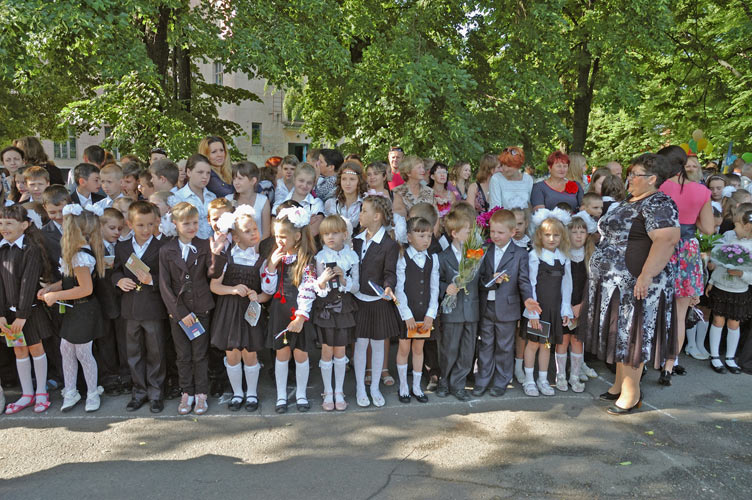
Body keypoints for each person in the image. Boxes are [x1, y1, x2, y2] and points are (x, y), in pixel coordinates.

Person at [581, 153, 680, 415]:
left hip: (637, 284)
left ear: (652, 179)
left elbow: (667, 240)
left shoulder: (659, 202)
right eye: (630, 173)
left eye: (635, 174)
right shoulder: (631, 200)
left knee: (633, 336)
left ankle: (631, 393)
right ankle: (619, 385)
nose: (630, 178)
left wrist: (646, 276)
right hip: (615, 285)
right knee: (620, 334)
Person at [158, 203, 224, 415]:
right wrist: (180, 314)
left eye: (195, 222)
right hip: (179, 313)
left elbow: (212, 274)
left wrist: (217, 255)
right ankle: (187, 391)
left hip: (201, 308)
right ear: (175, 224)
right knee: (183, 355)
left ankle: (201, 392)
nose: (191, 227)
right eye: (186, 223)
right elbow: (164, 285)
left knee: (200, 354)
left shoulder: (204, 245)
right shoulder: (166, 250)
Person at [657, 145, 714, 384]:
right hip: (687, 250)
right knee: (680, 315)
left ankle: (651, 358)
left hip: (662, 246)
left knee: (655, 309)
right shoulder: (701, 191)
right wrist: (693, 218)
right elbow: (708, 228)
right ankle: (669, 365)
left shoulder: (660, 186)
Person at [42, 204, 106, 412]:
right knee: (66, 350)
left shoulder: (81, 256)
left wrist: (56, 296)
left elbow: (85, 289)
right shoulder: (74, 253)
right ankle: (71, 390)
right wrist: (51, 288)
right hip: (74, 310)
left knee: (84, 354)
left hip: (84, 311)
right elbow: (70, 281)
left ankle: (92, 393)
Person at [474, 209, 539, 397]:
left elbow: (523, 281)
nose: (495, 236)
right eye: (493, 231)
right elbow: (479, 278)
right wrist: (490, 279)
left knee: (504, 346)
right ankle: (482, 380)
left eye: (500, 232)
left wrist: (528, 299)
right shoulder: (485, 250)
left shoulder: (520, 254)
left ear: (512, 232)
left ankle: (501, 381)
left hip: (508, 308)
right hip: (487, 306)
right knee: (485, 344)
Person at [209, 206, 269, 412]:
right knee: (232, 354)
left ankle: (251, 393)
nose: (253, 233)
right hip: (229, 311)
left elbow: (268, 292)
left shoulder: (261, 260)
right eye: (247, 231)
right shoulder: (227, 258)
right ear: (235, 237)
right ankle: (237, 393)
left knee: (250, 353)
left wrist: (257, 297)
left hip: (250, 312)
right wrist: (233, 289)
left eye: (255, 229)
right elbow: (214, 286)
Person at [112, 201, 168, 413]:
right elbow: (115, 271)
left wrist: (152, 279)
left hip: (153, 308)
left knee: (156, 352)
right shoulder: (122, 247)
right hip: (130, 309)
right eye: (140, 225)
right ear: (130, 224)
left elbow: (169, 277)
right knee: (133, 353)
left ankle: (156, 393)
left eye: (150, 224)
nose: (146, 230)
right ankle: (139, 392)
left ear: (156, 223)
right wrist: (119, 280)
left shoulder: (163, 247)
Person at [262, 206, 318, 414]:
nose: (279, 241)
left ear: (297, 236)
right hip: (280, 312)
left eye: (283, 236)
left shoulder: (307, 260)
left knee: (301, 354)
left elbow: (308, 290)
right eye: (277, 236)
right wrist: (271, 266)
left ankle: (301, 394)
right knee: (282, 353)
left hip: (299, 313)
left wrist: (301, 318)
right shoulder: (275, 258)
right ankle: (281, 396)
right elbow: (268, 289)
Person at [0, 205, 54, 414]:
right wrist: (1, 314)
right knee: (19, 349)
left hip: (29, 312)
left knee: (35, 348)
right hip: (9, 314)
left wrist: (22, 315)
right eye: (1, 223)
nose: (4, 228)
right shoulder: (1, 248)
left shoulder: (30, 249)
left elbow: (28, 282)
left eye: (9, 223)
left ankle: (41, 392)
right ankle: (27, 394)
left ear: (24, 225)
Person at [352, 194, 400, 407]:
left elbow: (390, 272)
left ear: (377, 216)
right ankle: (360, 387)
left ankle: (374, 388)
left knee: (379, 345)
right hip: (359, 301)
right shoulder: (355, 240)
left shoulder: (389, 245)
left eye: (364, 211)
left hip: (378, 301)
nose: (360, 214)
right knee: (361, 344)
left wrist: (388, 286)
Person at [521, 209, 573, 397]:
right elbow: (531, 283)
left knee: (546, 345)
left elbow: (567, 285)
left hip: (554, 308)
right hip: (538, 309)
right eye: (547, 235)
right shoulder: (535, 255)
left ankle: (542, 380)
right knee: (533, 344)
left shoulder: (564, 257)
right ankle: (529, 380)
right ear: (540, 235)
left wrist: (565, 308)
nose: (551, 239)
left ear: (562, 236)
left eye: (556, 235)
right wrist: (533, 313)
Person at [312, 215, 359, 411]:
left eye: (335, 233)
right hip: (325, 308)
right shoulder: (320, 257)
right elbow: (316, 288)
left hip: (344, 307)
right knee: (326, 350)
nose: (330, 237)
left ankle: (339, 391)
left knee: (340, 351)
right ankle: (327, 391)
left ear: (345, 235)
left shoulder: (352, 256)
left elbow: (356, 287)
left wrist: (343, 279)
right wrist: (322, 280)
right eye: (326, 234)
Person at [394, 217, 439, 404]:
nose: (426, 240)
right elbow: (399, 289)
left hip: (424, 314)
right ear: (409, 237)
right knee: (404, 348)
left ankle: (417, 387)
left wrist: (431, 313)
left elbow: (435, 288)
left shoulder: (433, 259)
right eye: (421, 235)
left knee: (419, 349)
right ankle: (403, 386)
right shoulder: (402, 258)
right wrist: (406, 315)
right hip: (407, 314)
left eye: (429, 235)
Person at [437, 210, 479, 401]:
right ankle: (444, 380)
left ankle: (458, 383)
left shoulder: (475, 255)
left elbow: (482, 279)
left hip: (471, 310)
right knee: (450, 348)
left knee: (467, 350)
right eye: (468, 232)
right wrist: (446, 288)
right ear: (454, 233)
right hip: (452, 311)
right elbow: (436, 281)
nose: (471, 235)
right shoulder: (442, 257)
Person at [705, 209, 752, 375]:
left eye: (737, 224)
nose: (734, 227)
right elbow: (718, 262)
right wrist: (712, 281)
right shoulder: (729, 237)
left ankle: (730, 357)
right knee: (718, 321)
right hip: (721, 287)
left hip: (739, 290)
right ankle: (715, 355)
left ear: (747, 226)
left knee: (734, 323)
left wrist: (741, 274)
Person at [554, 216, 589, 393]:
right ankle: (560, 375)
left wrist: (582, 305)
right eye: (574, 232)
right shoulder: (562, 255)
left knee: (577, 340)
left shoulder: (590, 257)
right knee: (563, 340)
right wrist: (565, 306)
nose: (578, 236)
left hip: (582, 305)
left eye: (582, 232)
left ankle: (575, 376)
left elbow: (593, 285)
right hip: (564, 305)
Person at [170, 154, 217, 240]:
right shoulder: (178, 198)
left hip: (213, 244)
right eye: (200, 172)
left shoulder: (212, 197)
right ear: (189, 172)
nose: (205, 176)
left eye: (208, 173)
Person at [227, 161, 271, 241]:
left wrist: (257, 247)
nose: (236, 182)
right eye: (234, 179)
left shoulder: (263, 201)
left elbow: (266, 232)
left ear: (253, 181)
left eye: (240, 179)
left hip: (258, 246)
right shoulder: (228, 200)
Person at [324, 161, 366, 233]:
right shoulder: (331, 203)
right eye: (344, 179)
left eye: (352, 179)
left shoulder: (365, 203)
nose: (347, 183)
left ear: (359, 181)